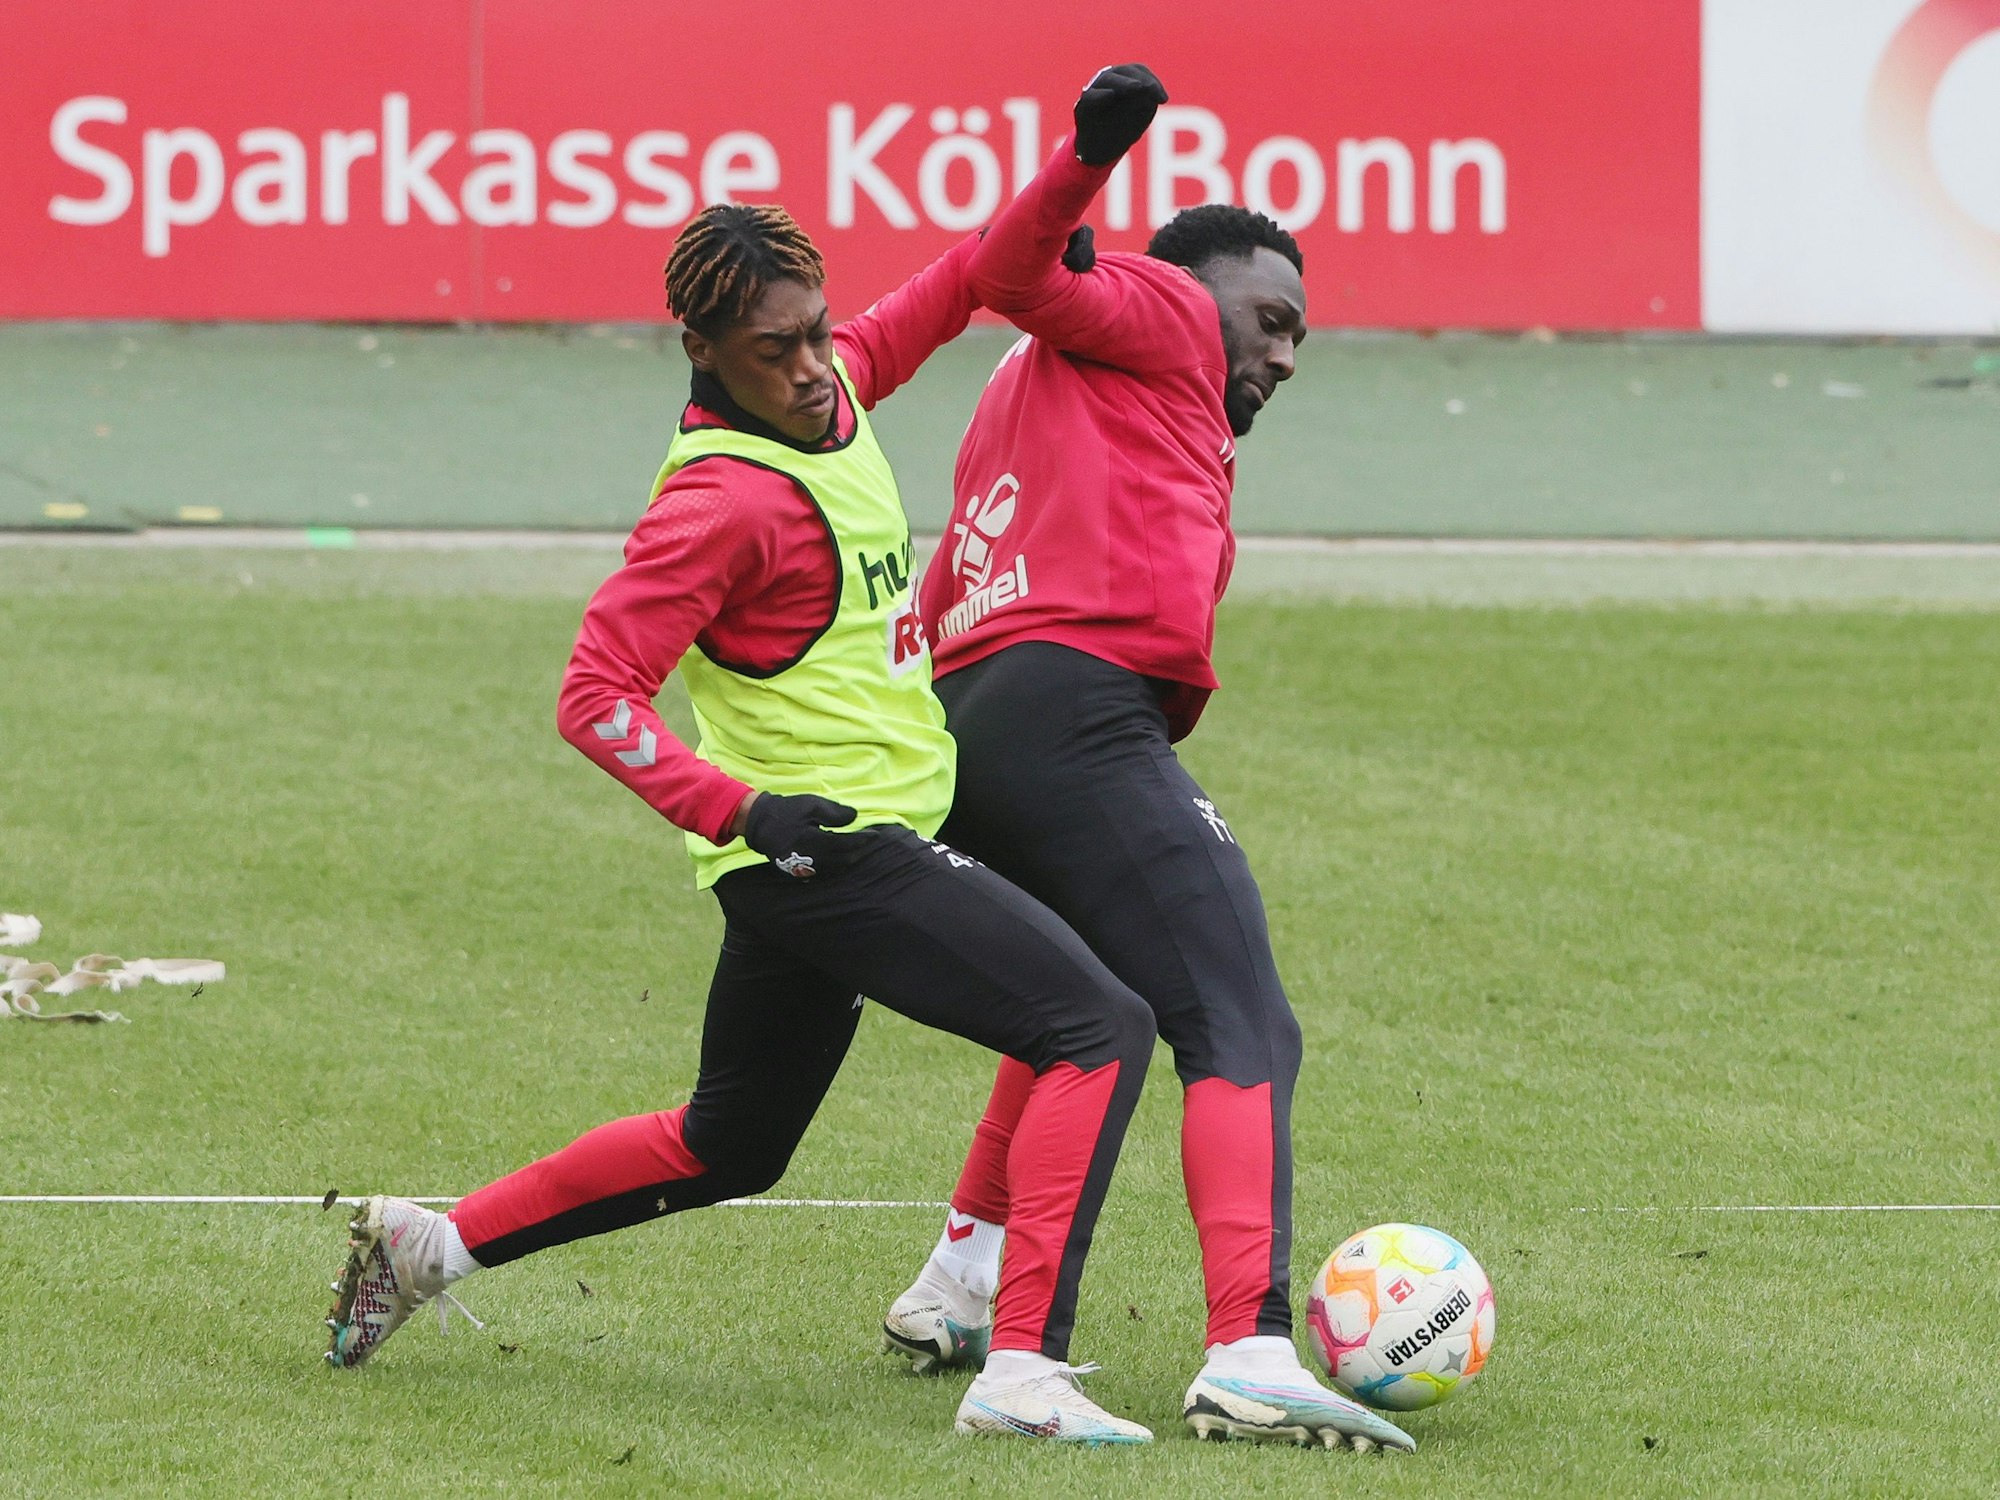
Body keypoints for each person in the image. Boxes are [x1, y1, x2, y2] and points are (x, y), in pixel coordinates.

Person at [323, 199, 1163, 1445]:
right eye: (777, 348)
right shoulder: (718, 503)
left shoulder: (836, 389)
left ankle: (429, 1243)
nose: (814, 365)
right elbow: (592, 697)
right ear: (704, 353)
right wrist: (747, 809)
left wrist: (1080, 167)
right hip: (822, 851)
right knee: (1097, 1027)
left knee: (732, 1145)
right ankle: (1019, 1370)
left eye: (818, 332)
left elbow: (970, 275)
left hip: (812, 852)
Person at [879, 65, 1415, 1454]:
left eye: (1302, 337)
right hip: (1072, 714)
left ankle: (959, 1279)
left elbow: (1010, 298)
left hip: (976, 719)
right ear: (1187, 291)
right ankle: (1248, 1343)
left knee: (1085, 998)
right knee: (1240, 1018)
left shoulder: (1052, 382)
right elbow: (1015, 261)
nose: (1287, 355)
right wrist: (1086, 160)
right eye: (1273, 320)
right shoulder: (1164, 312)